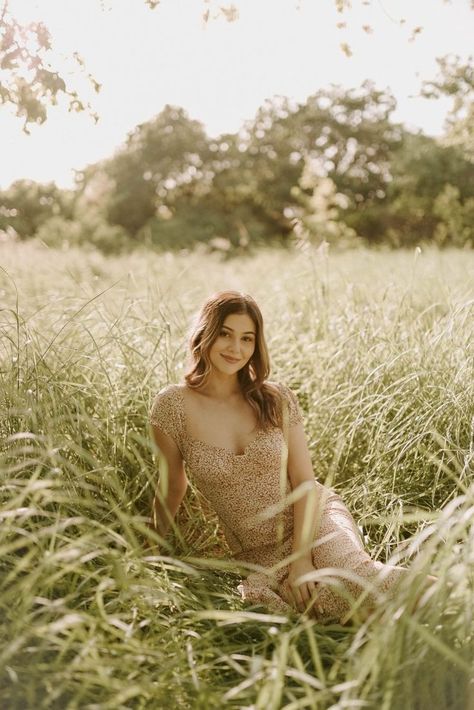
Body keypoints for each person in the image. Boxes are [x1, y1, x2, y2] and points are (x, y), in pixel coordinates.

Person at [148, 290, 435, 623]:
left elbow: (304, 481)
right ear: (205, 333)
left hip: (313, 518)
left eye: (247, 338)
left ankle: (458, 601)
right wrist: (150, 552)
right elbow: (171, 487)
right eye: (225, 334)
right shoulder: (173, 406)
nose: (235, 348)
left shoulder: (274, 398)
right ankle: (428, 628)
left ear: (257, 345)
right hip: (257, 552)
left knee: (357, 577)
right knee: (317, 601)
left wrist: (302, 560)